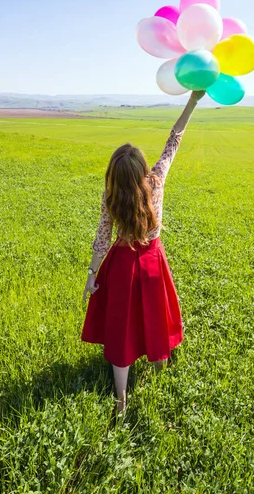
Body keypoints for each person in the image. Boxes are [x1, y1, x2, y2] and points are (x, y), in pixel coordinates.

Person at [81, 90, 205, 414]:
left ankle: (121, 400)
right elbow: (173, 141)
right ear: (141, 170)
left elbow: (101, 241)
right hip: (152, 262)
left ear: (115, 176)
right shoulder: (157, 181)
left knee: (121, 333)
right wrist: (192, 101)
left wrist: (91, 277)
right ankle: (159, 368)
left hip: (121, 266)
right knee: (156, 315)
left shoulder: (111, 199)